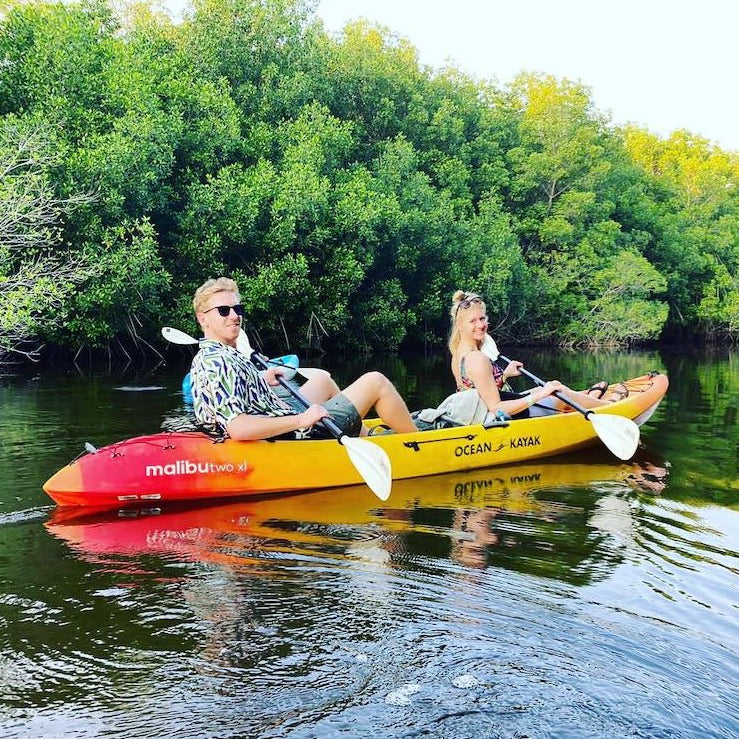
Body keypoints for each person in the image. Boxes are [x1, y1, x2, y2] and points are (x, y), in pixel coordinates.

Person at [189, 277, 417, 441]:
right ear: (203, 319)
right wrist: (301, 420)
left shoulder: (218, 354)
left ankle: (366, 436)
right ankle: (416, 446)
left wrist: (261, 379)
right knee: (375, 381)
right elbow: (238, 427)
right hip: (290, 433)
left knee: (322, 379)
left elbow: (232, 391)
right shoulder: (217, 361)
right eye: (223, 311)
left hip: (275, 413)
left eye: (237, 309)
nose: (235, 316)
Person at [448, 290, 627, 419]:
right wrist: (540, 396)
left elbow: (479, 394)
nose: (481, 325)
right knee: (557, 389)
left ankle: (585, 398)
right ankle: (610, 407)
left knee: (552, 386)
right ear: (460, 325)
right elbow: (496, 409)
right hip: (505, 418)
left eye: (482, 318)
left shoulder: (458, 354)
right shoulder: (477, 358)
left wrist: (505, 375)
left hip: (481, 413)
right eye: (473, 321)